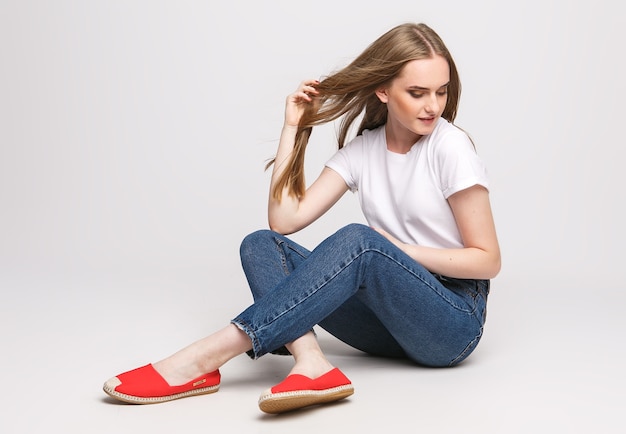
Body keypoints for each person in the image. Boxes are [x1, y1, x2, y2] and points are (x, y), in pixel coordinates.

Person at [103, 22, 501, 414]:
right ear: (383, 90)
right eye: (417, 93)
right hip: (385, 326)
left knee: (361, 241)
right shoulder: (364, 151)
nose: (433, 106)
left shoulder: (450, 147)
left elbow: (487, 259)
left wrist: (399, 251)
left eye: (441, 92)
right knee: (261, 244)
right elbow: (284, 221)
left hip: (450, 323)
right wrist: (293, 126)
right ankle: (312, 363)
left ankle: (205, 357)